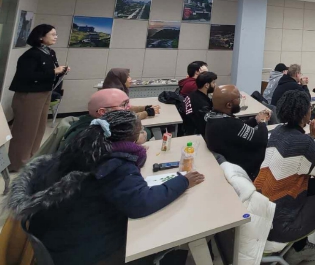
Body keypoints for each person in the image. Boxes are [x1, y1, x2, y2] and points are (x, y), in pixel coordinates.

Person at [7, 110, 204, 265]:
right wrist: (183, 181)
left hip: (59, 238)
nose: (144, 133)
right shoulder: (115, 164)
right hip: (86, 252)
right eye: (141, 131)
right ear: (131, 139)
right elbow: (142, 204)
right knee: (162, 235)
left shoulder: (81, 149)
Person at [255, 91, 315, 265]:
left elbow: (296, 145)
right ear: (304, 115)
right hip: (280, 226)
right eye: (310, 108)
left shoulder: (278, 131)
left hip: (263, 213)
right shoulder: (304, 143)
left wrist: (311, 137)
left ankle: (300, 247)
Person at [8, 24, 69, 172]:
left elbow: (49, 72)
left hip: (45, 93)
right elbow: (26, 76)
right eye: (52, 34)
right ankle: (17, 163)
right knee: (25, 130)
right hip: (30, 95)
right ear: (41, 37)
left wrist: (61, 71)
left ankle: (31, 157)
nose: (56, 37)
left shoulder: (50, 52)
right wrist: (54, 71)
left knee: (39, 128)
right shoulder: (31, 55)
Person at [205, 84, 271, 179]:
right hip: (249, 168)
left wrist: (255, 119)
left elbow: (240, 127)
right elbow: (262, 140)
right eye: (238, 98)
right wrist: (262, 121)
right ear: (229, 105)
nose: (240, 100)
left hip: (232, 156)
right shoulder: (229, 124)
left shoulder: (213, 118)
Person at [62, 89, 150, 148]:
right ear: (103, 112)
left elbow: (147, 131)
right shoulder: (85, 137)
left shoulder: (107, 124)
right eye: (124, 104)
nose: (129, 107)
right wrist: (135, 140)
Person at [183, 71, 217, 136]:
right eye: (213, 82)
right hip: (197, 134)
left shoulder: (192, 94)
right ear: (207, 85)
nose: (215, 85)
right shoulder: (202, 104)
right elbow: (209, 123)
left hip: (188, 128)